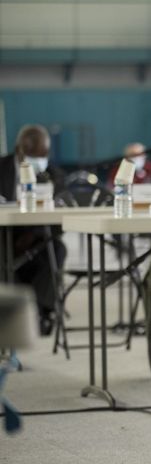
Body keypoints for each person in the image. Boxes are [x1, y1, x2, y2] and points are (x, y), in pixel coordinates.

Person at [0, 125, 66, 335]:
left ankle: (39, 311)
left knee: (57, 249)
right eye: (34, 155)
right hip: (4, 236)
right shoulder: (1, 168)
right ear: (20, 150)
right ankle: (14, 310)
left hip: (39, 238)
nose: (40, 160)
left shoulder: (54, 175)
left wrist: (33, 234)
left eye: (44, 155)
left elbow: (62, 219)